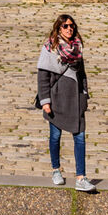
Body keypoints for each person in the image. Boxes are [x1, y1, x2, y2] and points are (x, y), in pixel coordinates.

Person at [38, 13, 95, 192]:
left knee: (80, 137)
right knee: (55, 137)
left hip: (75, 99)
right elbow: (43, 77)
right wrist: (45, 101)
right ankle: (56, 170)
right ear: (58, 28)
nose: (69, 29)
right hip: (56, 100)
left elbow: (82, 74)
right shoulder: (49, 48)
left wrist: (84, 94)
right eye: (65, 26)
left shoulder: (77, 48)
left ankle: (81, 177)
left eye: (72, 26)